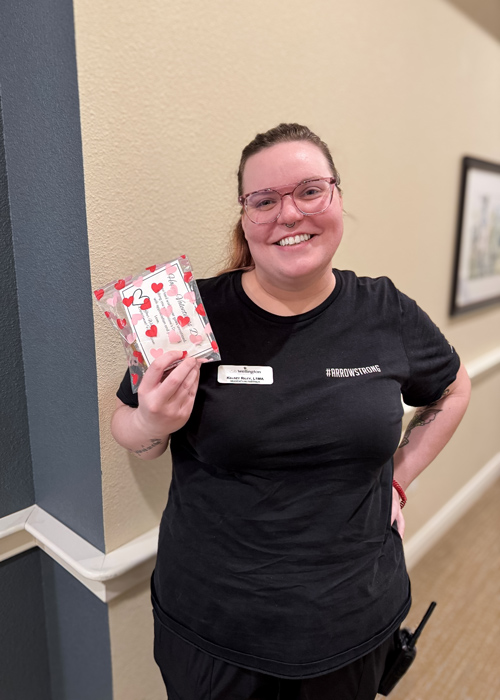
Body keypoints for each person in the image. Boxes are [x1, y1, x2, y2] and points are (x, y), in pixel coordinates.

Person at [111, 124, 471, 700]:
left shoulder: (385, 310)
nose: (289, 214)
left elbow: (453, 389)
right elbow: (127, 428)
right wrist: (152, 424)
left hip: (351, 621)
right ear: (245, 216)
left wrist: (398, 483)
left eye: (310, 190)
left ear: (337, 198)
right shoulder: (188, 313)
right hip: (212, 628)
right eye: (265, 200)